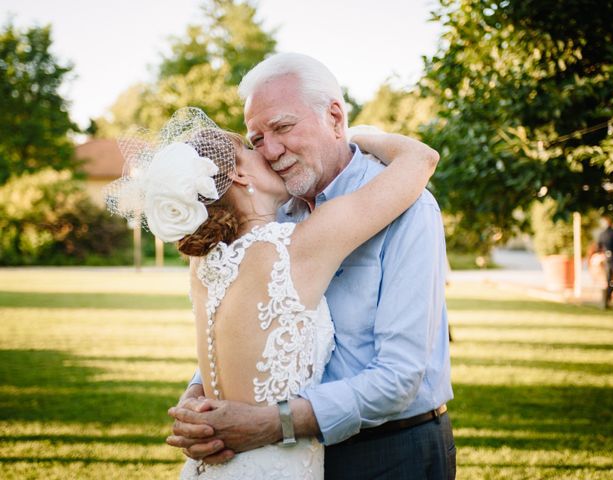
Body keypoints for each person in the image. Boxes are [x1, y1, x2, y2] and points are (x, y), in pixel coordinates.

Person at [167, 53, 455, 479]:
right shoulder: (274, 214)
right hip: (292, 451)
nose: (271, 151)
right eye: (257, 139)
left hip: (390, 451)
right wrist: (202, 396)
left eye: (282, 127)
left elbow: (399, 376)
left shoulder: (406, 204)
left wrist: (274, 423)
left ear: (334, 117)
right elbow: (247, 326)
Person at [597, 216, 613, 309]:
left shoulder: (602, 234)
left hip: (607, 258)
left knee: (609, 279)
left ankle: (607, 297)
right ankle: (607, 294)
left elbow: (598, 247)